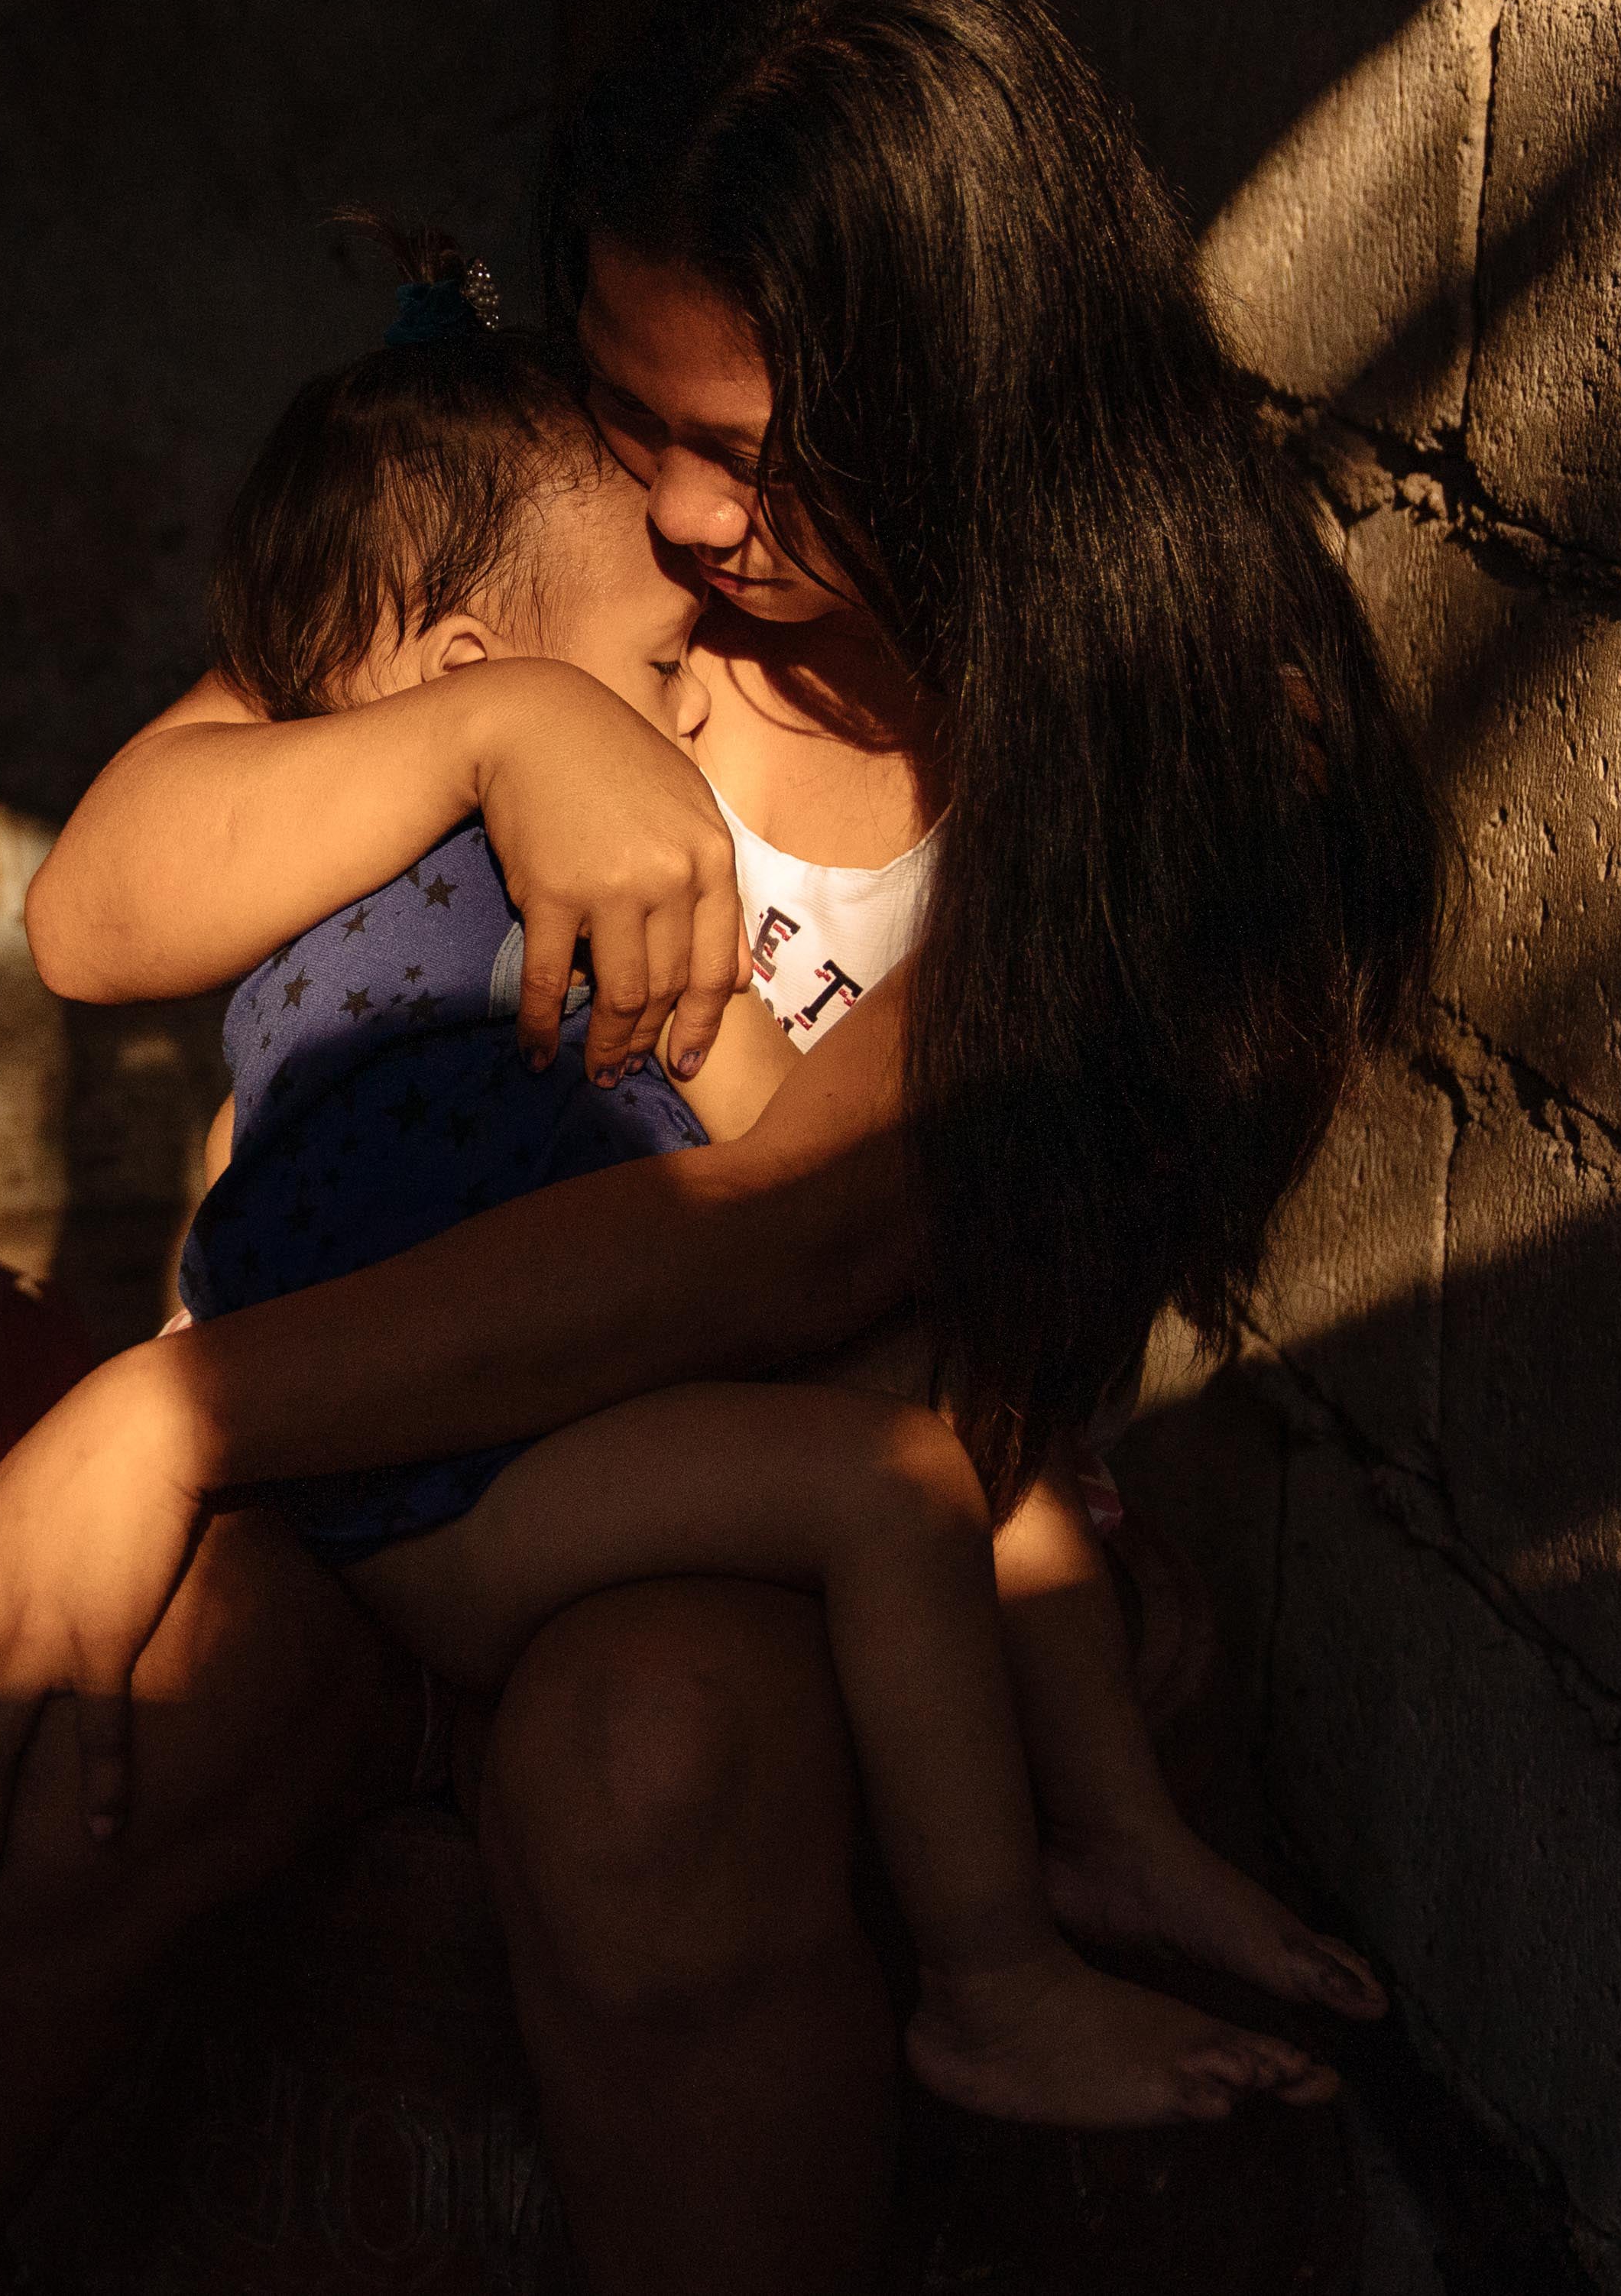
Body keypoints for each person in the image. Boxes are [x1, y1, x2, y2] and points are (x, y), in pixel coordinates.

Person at [0, 0, 1439, 2295]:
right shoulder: (549, 550)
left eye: (754, 452)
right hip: (368, 1446)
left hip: (719, 1469)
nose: (681, 519)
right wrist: (489, 733)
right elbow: (101, 899)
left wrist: (166, 1411)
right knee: (57, 1740)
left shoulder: (1157, 725)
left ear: (969, 401)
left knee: (650, 1774)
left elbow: (792, 1232)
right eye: (630, 416)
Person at [156, 227, 1362, 2129]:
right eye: (652, 665)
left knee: (970, 1406)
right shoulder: (444, 857)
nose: (695, 695)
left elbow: (794, 1159)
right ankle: (993, 1979)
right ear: (479, 670)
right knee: (888, 1490)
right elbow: (133, 956)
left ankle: (1121, 1831)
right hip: (429, 1467)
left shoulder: (638, 869)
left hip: (568, 1373)